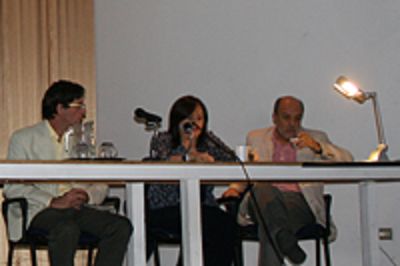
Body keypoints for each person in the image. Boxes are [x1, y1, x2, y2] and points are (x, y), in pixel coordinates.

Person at [3, 80, 133, 266]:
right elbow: (12, 187)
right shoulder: (23, 138)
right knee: (66, 228)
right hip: (39, 210)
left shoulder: (81, 142)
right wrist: (53, 201)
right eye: (78, 105)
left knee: (119, 226)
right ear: (59, 108)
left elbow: (100, 182)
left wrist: (86, 195)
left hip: (76, 208)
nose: (84, 112)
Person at [223, 95, 353, 266]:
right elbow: (246, 170)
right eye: (286, 117)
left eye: (297, 118)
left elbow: (348, 160)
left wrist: (318, 147)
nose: (292, 124)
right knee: (263, 189)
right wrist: (235, 189)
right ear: (274, 117)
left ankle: (284, 237)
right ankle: (286, 240)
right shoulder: (256, 138)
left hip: (298, 202)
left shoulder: (315, 138)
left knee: (271, 228)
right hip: (261, 199)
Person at [146, 95, 236, 266]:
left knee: (225, 224)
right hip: (168, 206)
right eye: (190, 119)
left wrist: (208, 158)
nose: (195, 125)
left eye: (200, 119)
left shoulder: (208, 141)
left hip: (203, 206)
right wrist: (188, 151)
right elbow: (166, 162)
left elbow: (230, 160)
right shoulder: (163, 139)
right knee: (212, 224)